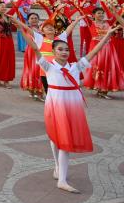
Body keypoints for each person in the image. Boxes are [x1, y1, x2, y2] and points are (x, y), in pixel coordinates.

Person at [22, 14, 116, 193]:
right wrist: (21, 28)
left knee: (65, 142)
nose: (64, 52)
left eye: (66, 49)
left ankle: (61, 178)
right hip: (55, 106)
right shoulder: (49, 66)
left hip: (72, 109)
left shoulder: (75, 67)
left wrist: (108, 35)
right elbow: (34, 47)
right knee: (56, 139)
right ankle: (59, 170)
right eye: (60, 49)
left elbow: (94, 52)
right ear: (53, 51)